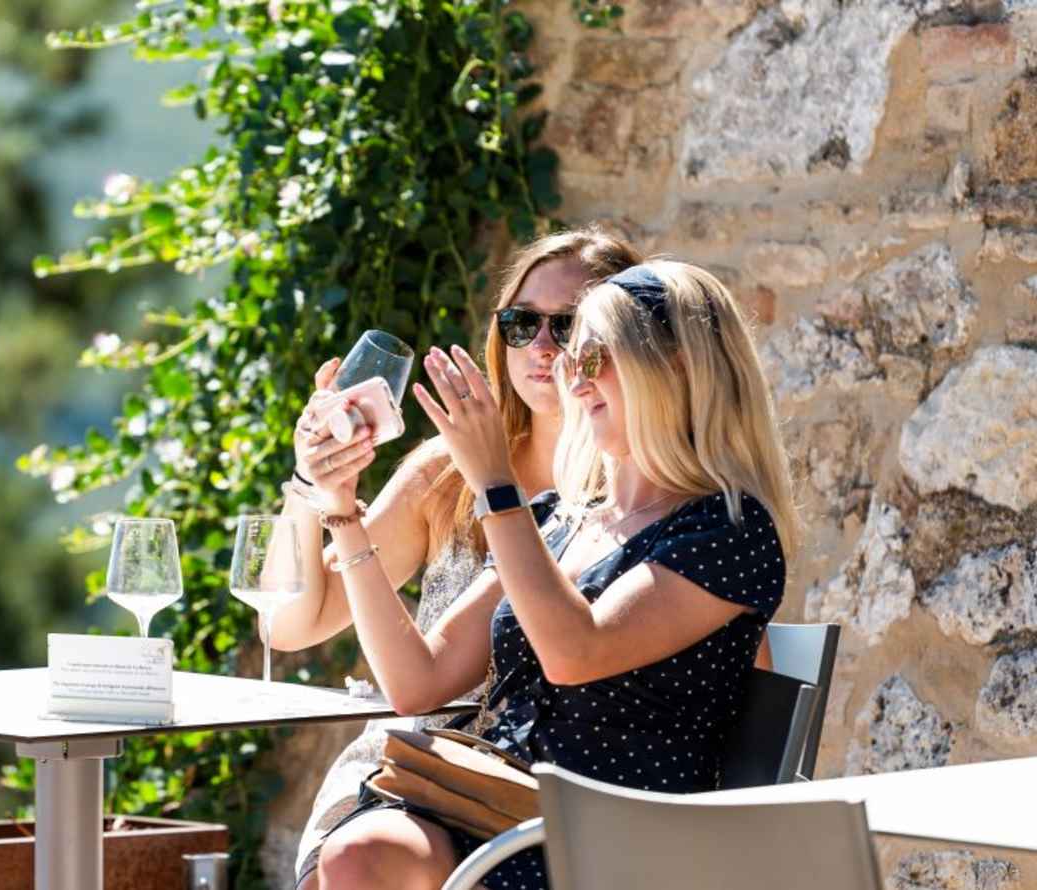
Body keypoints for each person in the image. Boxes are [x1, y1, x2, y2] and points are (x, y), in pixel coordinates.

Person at [307, 259, 801, 890]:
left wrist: (493, 483)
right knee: (357, 853)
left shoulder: (726, 530)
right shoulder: (560, 522)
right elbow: (415, 680)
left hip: (616, 839)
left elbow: (576, 651)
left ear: (676, 367)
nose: (573, 377)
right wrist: (343, 508)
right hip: (499, 808)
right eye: (573, 360)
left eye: (594, 358)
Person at [272, 229, 643, 887]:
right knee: (359, 854)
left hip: (535, 779)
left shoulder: (632, 498)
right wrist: (311, 486)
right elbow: (290, 624)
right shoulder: (447, 474)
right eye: (523, 323)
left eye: (569, 325)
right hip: (420, 766)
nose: (543, 347)